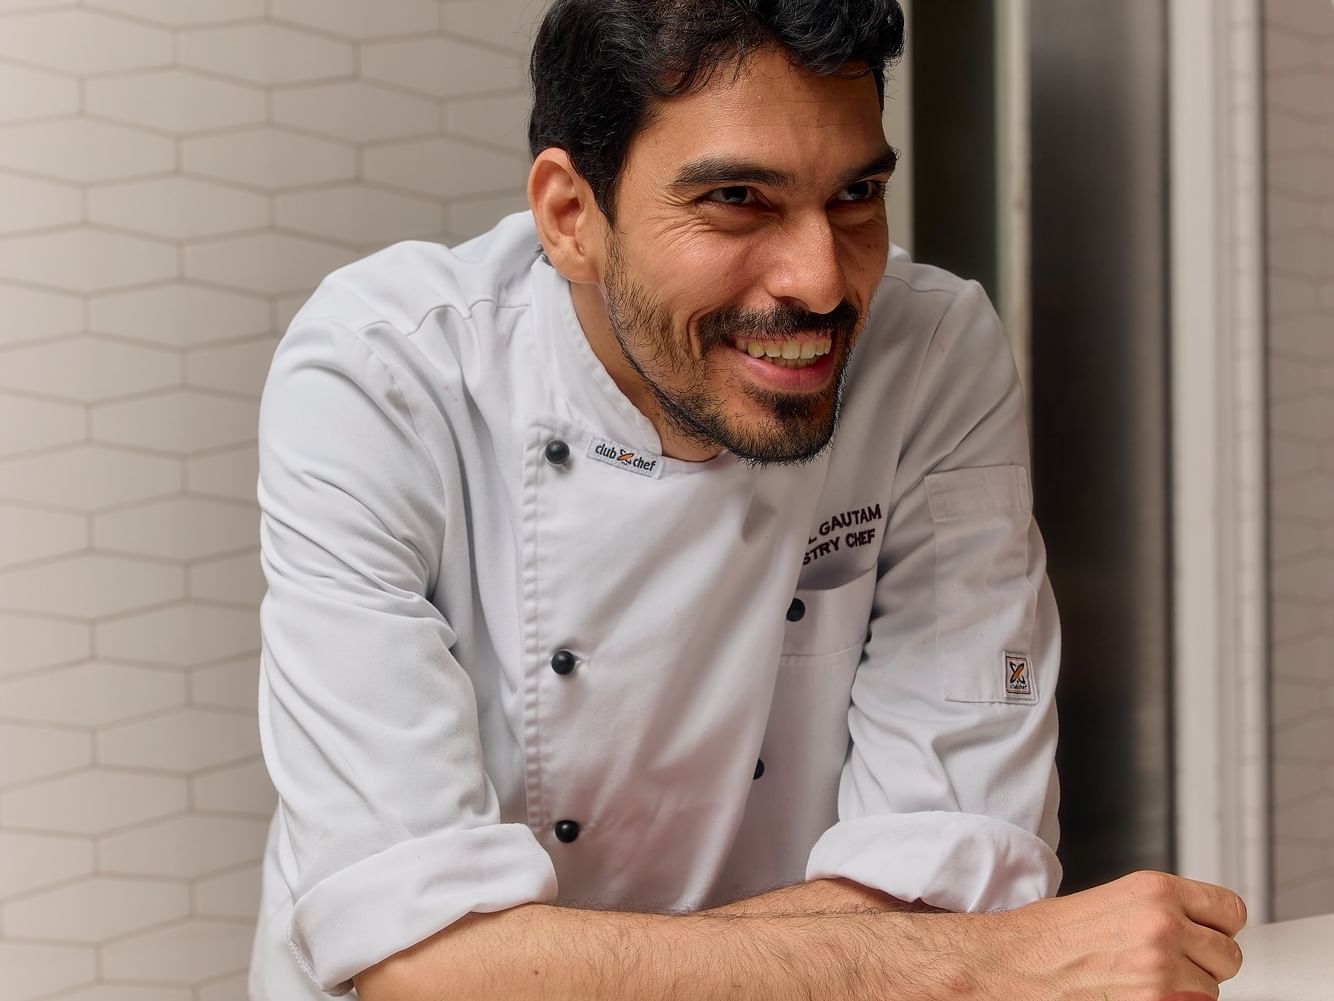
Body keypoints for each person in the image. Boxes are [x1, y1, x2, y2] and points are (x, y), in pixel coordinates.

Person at [248, 2, 1247, 998]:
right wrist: (972, 962)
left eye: (855, 192)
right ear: (568, 217)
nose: (817, 280)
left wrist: (540, 965)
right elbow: (424, 967)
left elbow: (959, 874)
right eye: (736, 197)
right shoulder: (385, 373)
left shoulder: (930, 354)